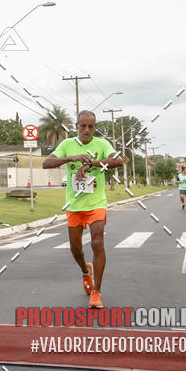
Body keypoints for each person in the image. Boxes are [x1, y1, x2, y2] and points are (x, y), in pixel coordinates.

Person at [43, 110, 123, 309]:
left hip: (96, 203)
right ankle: (85, 271)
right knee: (75, 248)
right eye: (83, 126)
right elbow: (47, 163)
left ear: (95, 127)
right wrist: (71, 158)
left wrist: (91, 163)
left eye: (91, 126)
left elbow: (118, 160)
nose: (86, 130)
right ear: (76, 126)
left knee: (97, 241)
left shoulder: (102, 144)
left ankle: (96, 292)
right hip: (74, 205)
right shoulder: (67, 145)